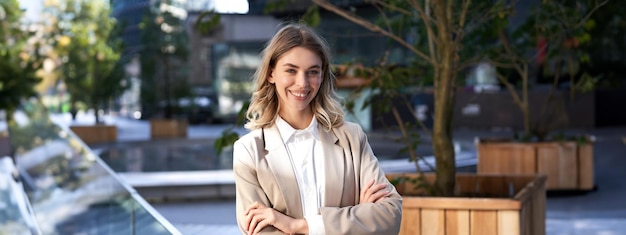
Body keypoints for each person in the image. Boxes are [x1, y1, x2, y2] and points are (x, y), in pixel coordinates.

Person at [233, 23, 402, 235]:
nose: (302, 83)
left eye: (312, 72)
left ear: (322, 76)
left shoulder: (351, 138)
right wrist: (357, 216)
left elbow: (389, 215)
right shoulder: (249, 152)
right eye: (291, 70)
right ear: (271, 73)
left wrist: (297, 226)